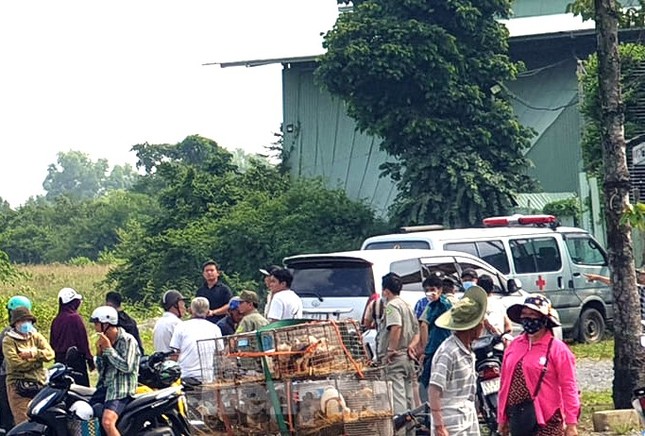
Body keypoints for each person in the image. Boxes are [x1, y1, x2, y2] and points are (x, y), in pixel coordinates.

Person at [498, 294, 580, 436]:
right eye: (524, 314)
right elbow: (504, 384)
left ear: (544, 319)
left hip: (547, 418)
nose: (527, 318)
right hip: (518, 418)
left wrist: (571, 423)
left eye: (533, 314)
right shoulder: (514, 346)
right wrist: (502, 418)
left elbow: (569, 386)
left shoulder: (557, 349)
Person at [429, 286, 488, 436]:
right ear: (474, 327)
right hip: (450, 419)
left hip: (466, 415)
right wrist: (439, 426)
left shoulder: (467, 349)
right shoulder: (448, 352)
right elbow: (434, 391)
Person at [377, 272, 419, 436]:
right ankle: (411, 433)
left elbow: (396, 327)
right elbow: (417, 332)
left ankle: (400, 433)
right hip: (407, 357)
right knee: (409, 400)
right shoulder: (407, 305)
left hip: (395, 359)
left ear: (386, 290)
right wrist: (411, 346)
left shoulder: (391, 306)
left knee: (398, 402)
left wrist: (390, 351)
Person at [90, 305, 140, 436]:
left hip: (121, 390)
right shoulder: (104, 341)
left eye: (97, 324)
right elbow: (101, 371)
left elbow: (127, 367)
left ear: (106, 324)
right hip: (105, 388)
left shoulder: (128, 341)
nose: (95, 327)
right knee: (86, 414)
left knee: (107, 422)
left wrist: (109, 350)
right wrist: (100, 354)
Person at [2, 306, 55, 425]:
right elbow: (15, 363)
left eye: (28, 321)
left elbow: (50, 354)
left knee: (42, 420)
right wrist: (38, 362)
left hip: (39, 383)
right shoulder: (9, 340)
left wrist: (33, 353)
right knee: (24, 422)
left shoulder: (35, 336)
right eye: (22, 321)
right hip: (19, 386)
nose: (25, 324)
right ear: (15, 323)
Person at [0, 296, 35, 431]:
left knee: (9, 412)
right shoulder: (33, 332)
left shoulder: (7, 333)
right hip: (32, 377)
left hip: (9, 377)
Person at [169, 297, 223, 382]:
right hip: (207, 376)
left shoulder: (181, 327)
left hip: (186, 375)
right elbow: (220, 353)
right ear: (208, 311)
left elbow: (174, 353)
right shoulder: (215, 328)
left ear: (190, 310)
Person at [417, 275, 452, 403]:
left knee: (430, 379)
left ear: (440, 290)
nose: (430, 293)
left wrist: (424, 349)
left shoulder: (443, 304)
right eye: (427, 290)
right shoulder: (431, 306)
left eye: (432, 289)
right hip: (436, 347)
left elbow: (424, 325)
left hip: (438, 347)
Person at [49, 287, 94, 386]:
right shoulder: (75, 318)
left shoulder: (56, 320)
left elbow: (52, 343)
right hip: (76, 362)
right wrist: (89, 359)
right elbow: (82, 341)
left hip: (59, 361)